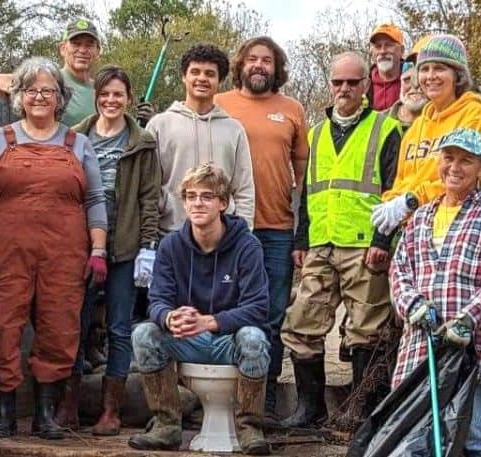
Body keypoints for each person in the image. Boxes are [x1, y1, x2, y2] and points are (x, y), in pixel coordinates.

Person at [0, 57, 108, 440]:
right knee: (1, 325)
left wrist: (98, 250)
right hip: (4, 253)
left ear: (60, 97)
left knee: (58, 327)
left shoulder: (78, 144)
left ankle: (46, 414)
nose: (40, 97)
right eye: (31, 90)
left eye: (48, 90)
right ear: (19, 95)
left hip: (64, 254)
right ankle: (4, 412)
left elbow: (95, 199)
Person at [280, 51, 402, 429]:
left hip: (365, 245)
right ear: (330, 84)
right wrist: (302, 241)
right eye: (338, 82)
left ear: (366, 84)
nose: (344, 89)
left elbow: (394, 191)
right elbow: (308, 192)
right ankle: (310, 408)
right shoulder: (315, 134)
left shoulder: (385, 128)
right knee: (301, 324)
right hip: (321, 242)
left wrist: (382, 240)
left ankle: (362, 412)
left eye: (352, 82)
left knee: (367, 330)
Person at [128, 163, 271, 455]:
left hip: (229, 341)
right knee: (144, 334)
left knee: (254, 338)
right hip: (188, 340)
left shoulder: (247, 246)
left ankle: (249, 428)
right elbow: (157, 300)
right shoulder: (171, 246)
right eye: (191, 196)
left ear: (223, 203)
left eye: (207, 196)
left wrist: (210, 322)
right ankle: (166, 426)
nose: (198, 203)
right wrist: (170, 317)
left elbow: (258, 307)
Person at [54, 65, 160, 434]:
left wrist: (148, 246)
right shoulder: (74, 138)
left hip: (125, 244)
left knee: (118, 326)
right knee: (76, 323)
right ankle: (68, 406)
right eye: (105, 94)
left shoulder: (142, 142)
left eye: (118, 94)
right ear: (96, 97)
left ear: (128, 98)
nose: (111, 101)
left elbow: (149, 199)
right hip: (81, 244)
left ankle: (110, 410)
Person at [391, 127, 481, 457]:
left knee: (476, 437)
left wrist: (469, 319)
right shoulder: (421, 217)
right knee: (413, 439)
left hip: (477, 348)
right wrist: (413, 304)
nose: (454, 167)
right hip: (422, 346)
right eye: (448, 158)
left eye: (466, 161)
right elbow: (400, 270)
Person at [214, 36, 308, 420]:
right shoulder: (220, 104)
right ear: (241, 65)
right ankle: (224, 398)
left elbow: (302, 176)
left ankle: (263, 399)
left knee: (271, 315)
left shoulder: (292, 109)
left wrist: (301, 228)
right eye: (252, 59)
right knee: (225, 309)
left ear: (276, 67)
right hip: (229, 228)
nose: (258, 65)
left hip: (276, 228)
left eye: (266, 60)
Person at [373, 34, 481, 237]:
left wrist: (411, 200)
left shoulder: (474, 115)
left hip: (463, 225)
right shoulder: (417, 127)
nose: (430, 76)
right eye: (424, 69)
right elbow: (402, 181)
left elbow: (463, 181)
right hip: (416, 229)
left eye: (439, 68)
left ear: (457, 75)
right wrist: (391, 203)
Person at [146, 43, 254, 235]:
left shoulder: (234, 130)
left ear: (220, 80)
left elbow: (244, 189)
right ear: (184, 76)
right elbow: (148, 187)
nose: (202, 78)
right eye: (195, 72)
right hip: (170, 234)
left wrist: (242, 234)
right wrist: (149, 235)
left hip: (222, 238)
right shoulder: (159, 125)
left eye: (210, 74)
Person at [368, 23, 405, 111]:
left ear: (402, 50)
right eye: (378, 46)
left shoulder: (415, 81)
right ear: (371, 52)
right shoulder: (363, 84)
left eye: (389, 45)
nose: (383, 51)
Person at [387, 61, 429, 132]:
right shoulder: (379, 121)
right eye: (407, 80)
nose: (415, 85)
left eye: (421, 79)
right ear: (400, 84)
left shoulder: (443, 122)